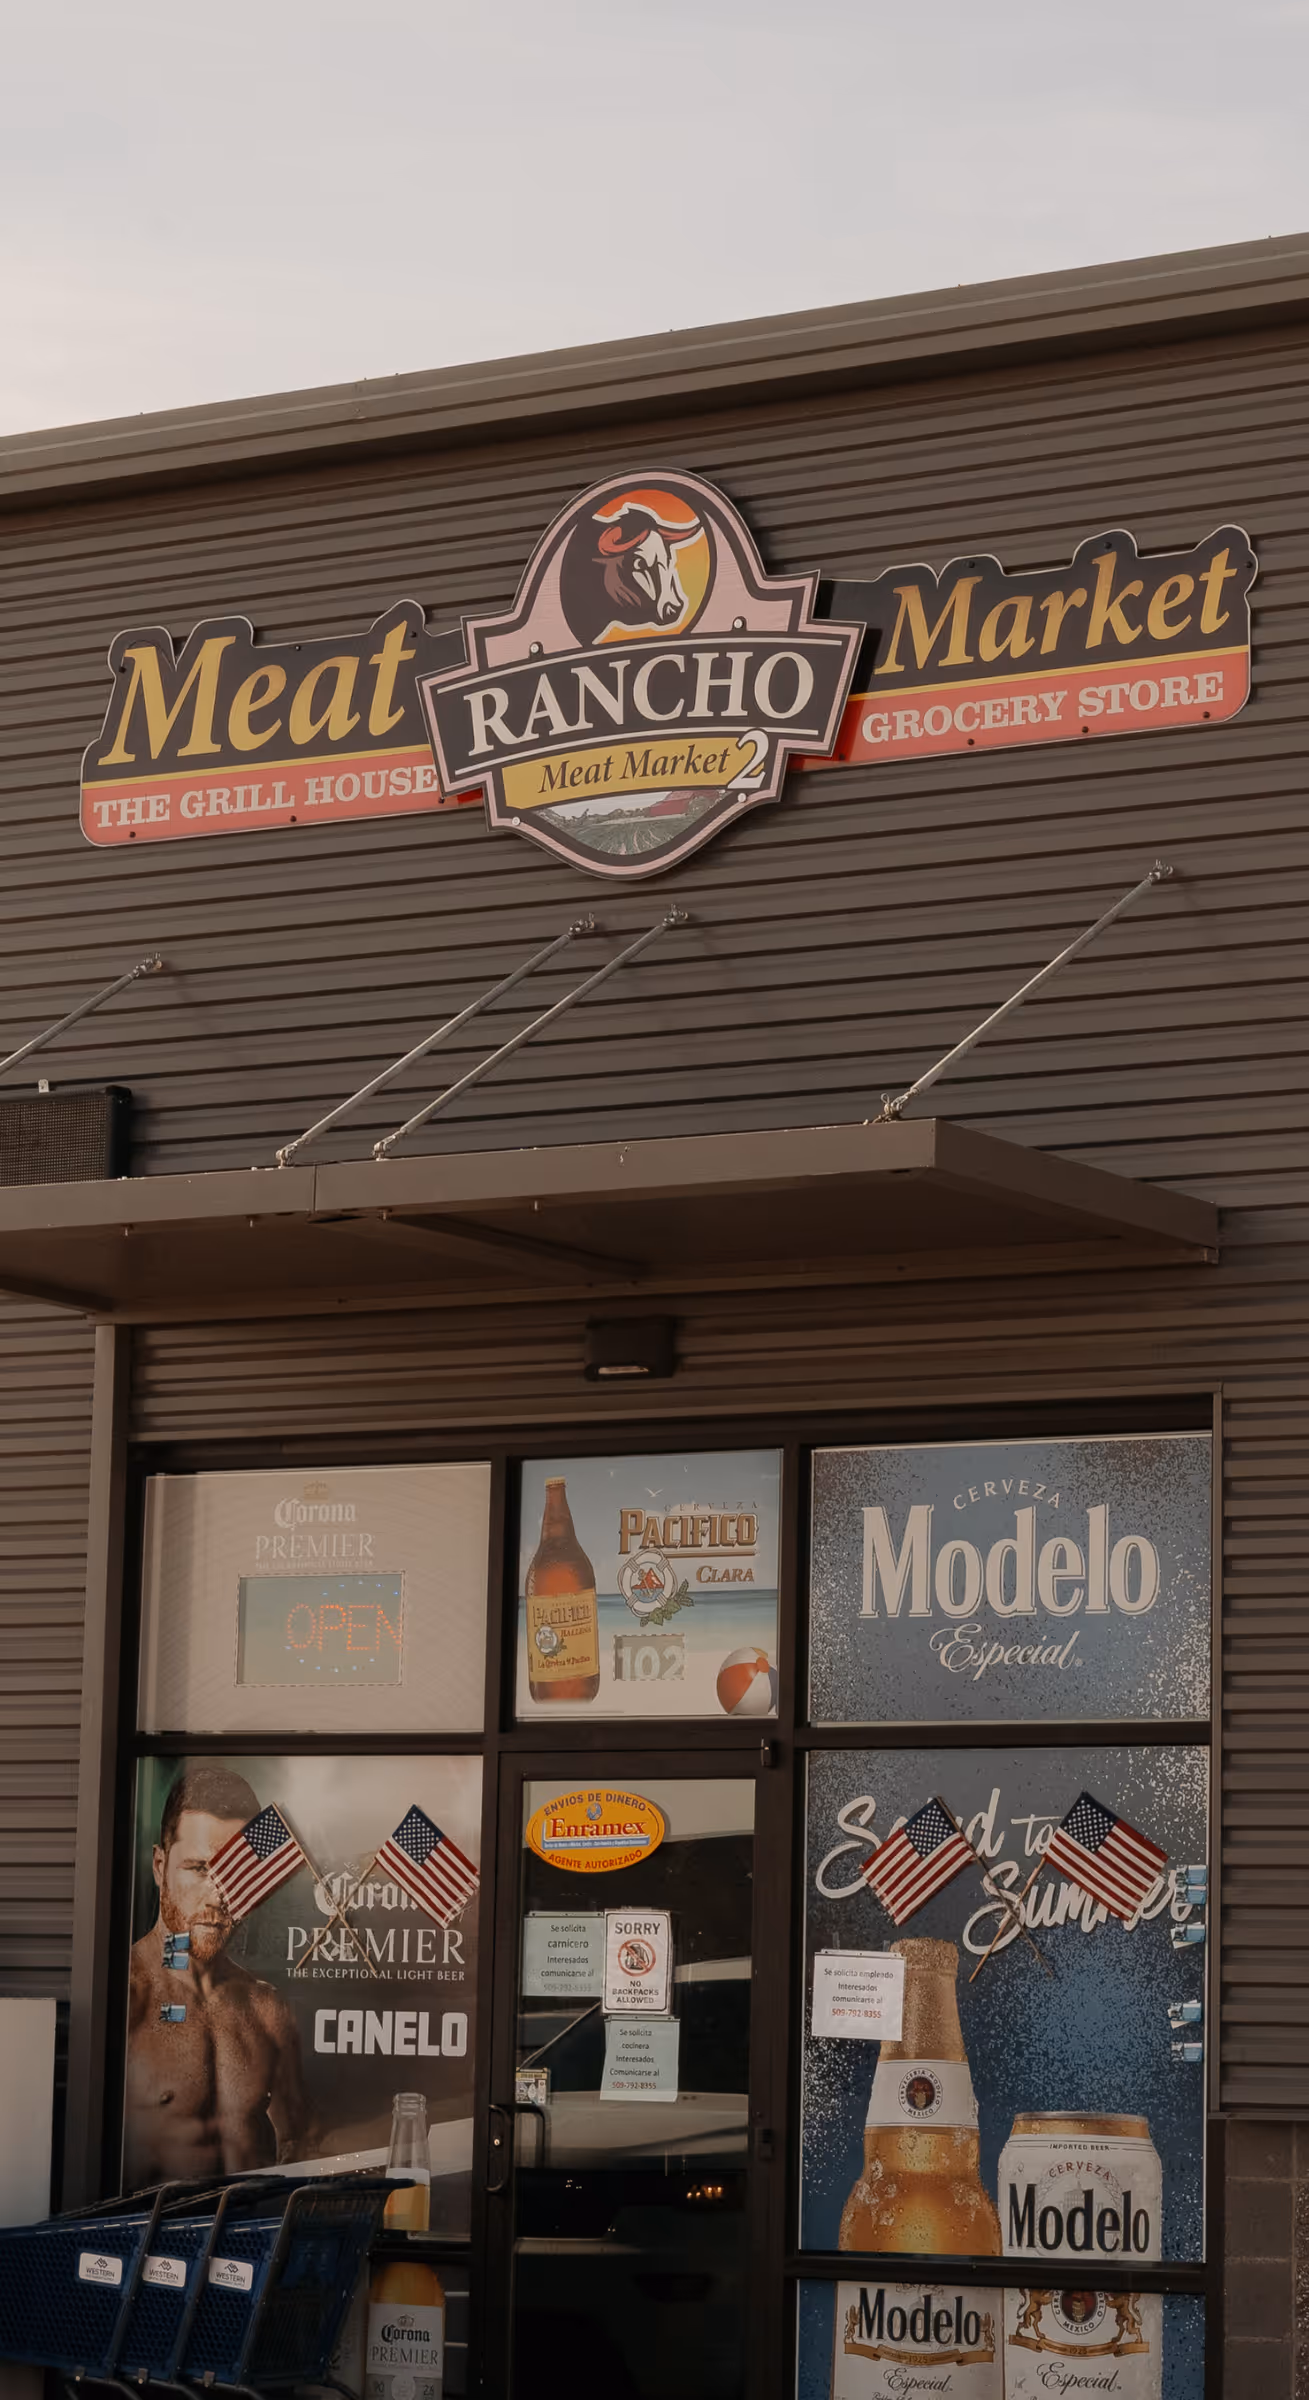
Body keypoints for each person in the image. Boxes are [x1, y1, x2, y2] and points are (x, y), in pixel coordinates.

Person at [125, 1765, 319, 2186]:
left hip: (247, 2242)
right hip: (153, 2244)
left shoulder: (266, 2008)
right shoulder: (128, 1997)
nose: (217, 1894)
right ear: (160, 1867)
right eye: (198, 1868)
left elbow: (299, 2141)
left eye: (235, 1874)